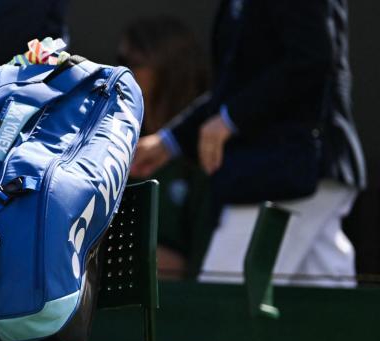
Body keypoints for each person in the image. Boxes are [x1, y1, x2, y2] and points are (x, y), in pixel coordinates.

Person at [131, 0, 366, 287]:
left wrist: (232, 119)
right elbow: (236, 87)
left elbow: (312, 58)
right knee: (327, 313)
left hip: (289, 171)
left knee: (222, 308)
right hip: (294, 172)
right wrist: (169, 141)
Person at [118, 16, 212, 278]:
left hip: (182, 306)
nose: (121, 74)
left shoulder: (204, 152)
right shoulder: (115, 145)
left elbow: (203, 264)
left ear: (171, 71)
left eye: (133, 64)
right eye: (119, 61)